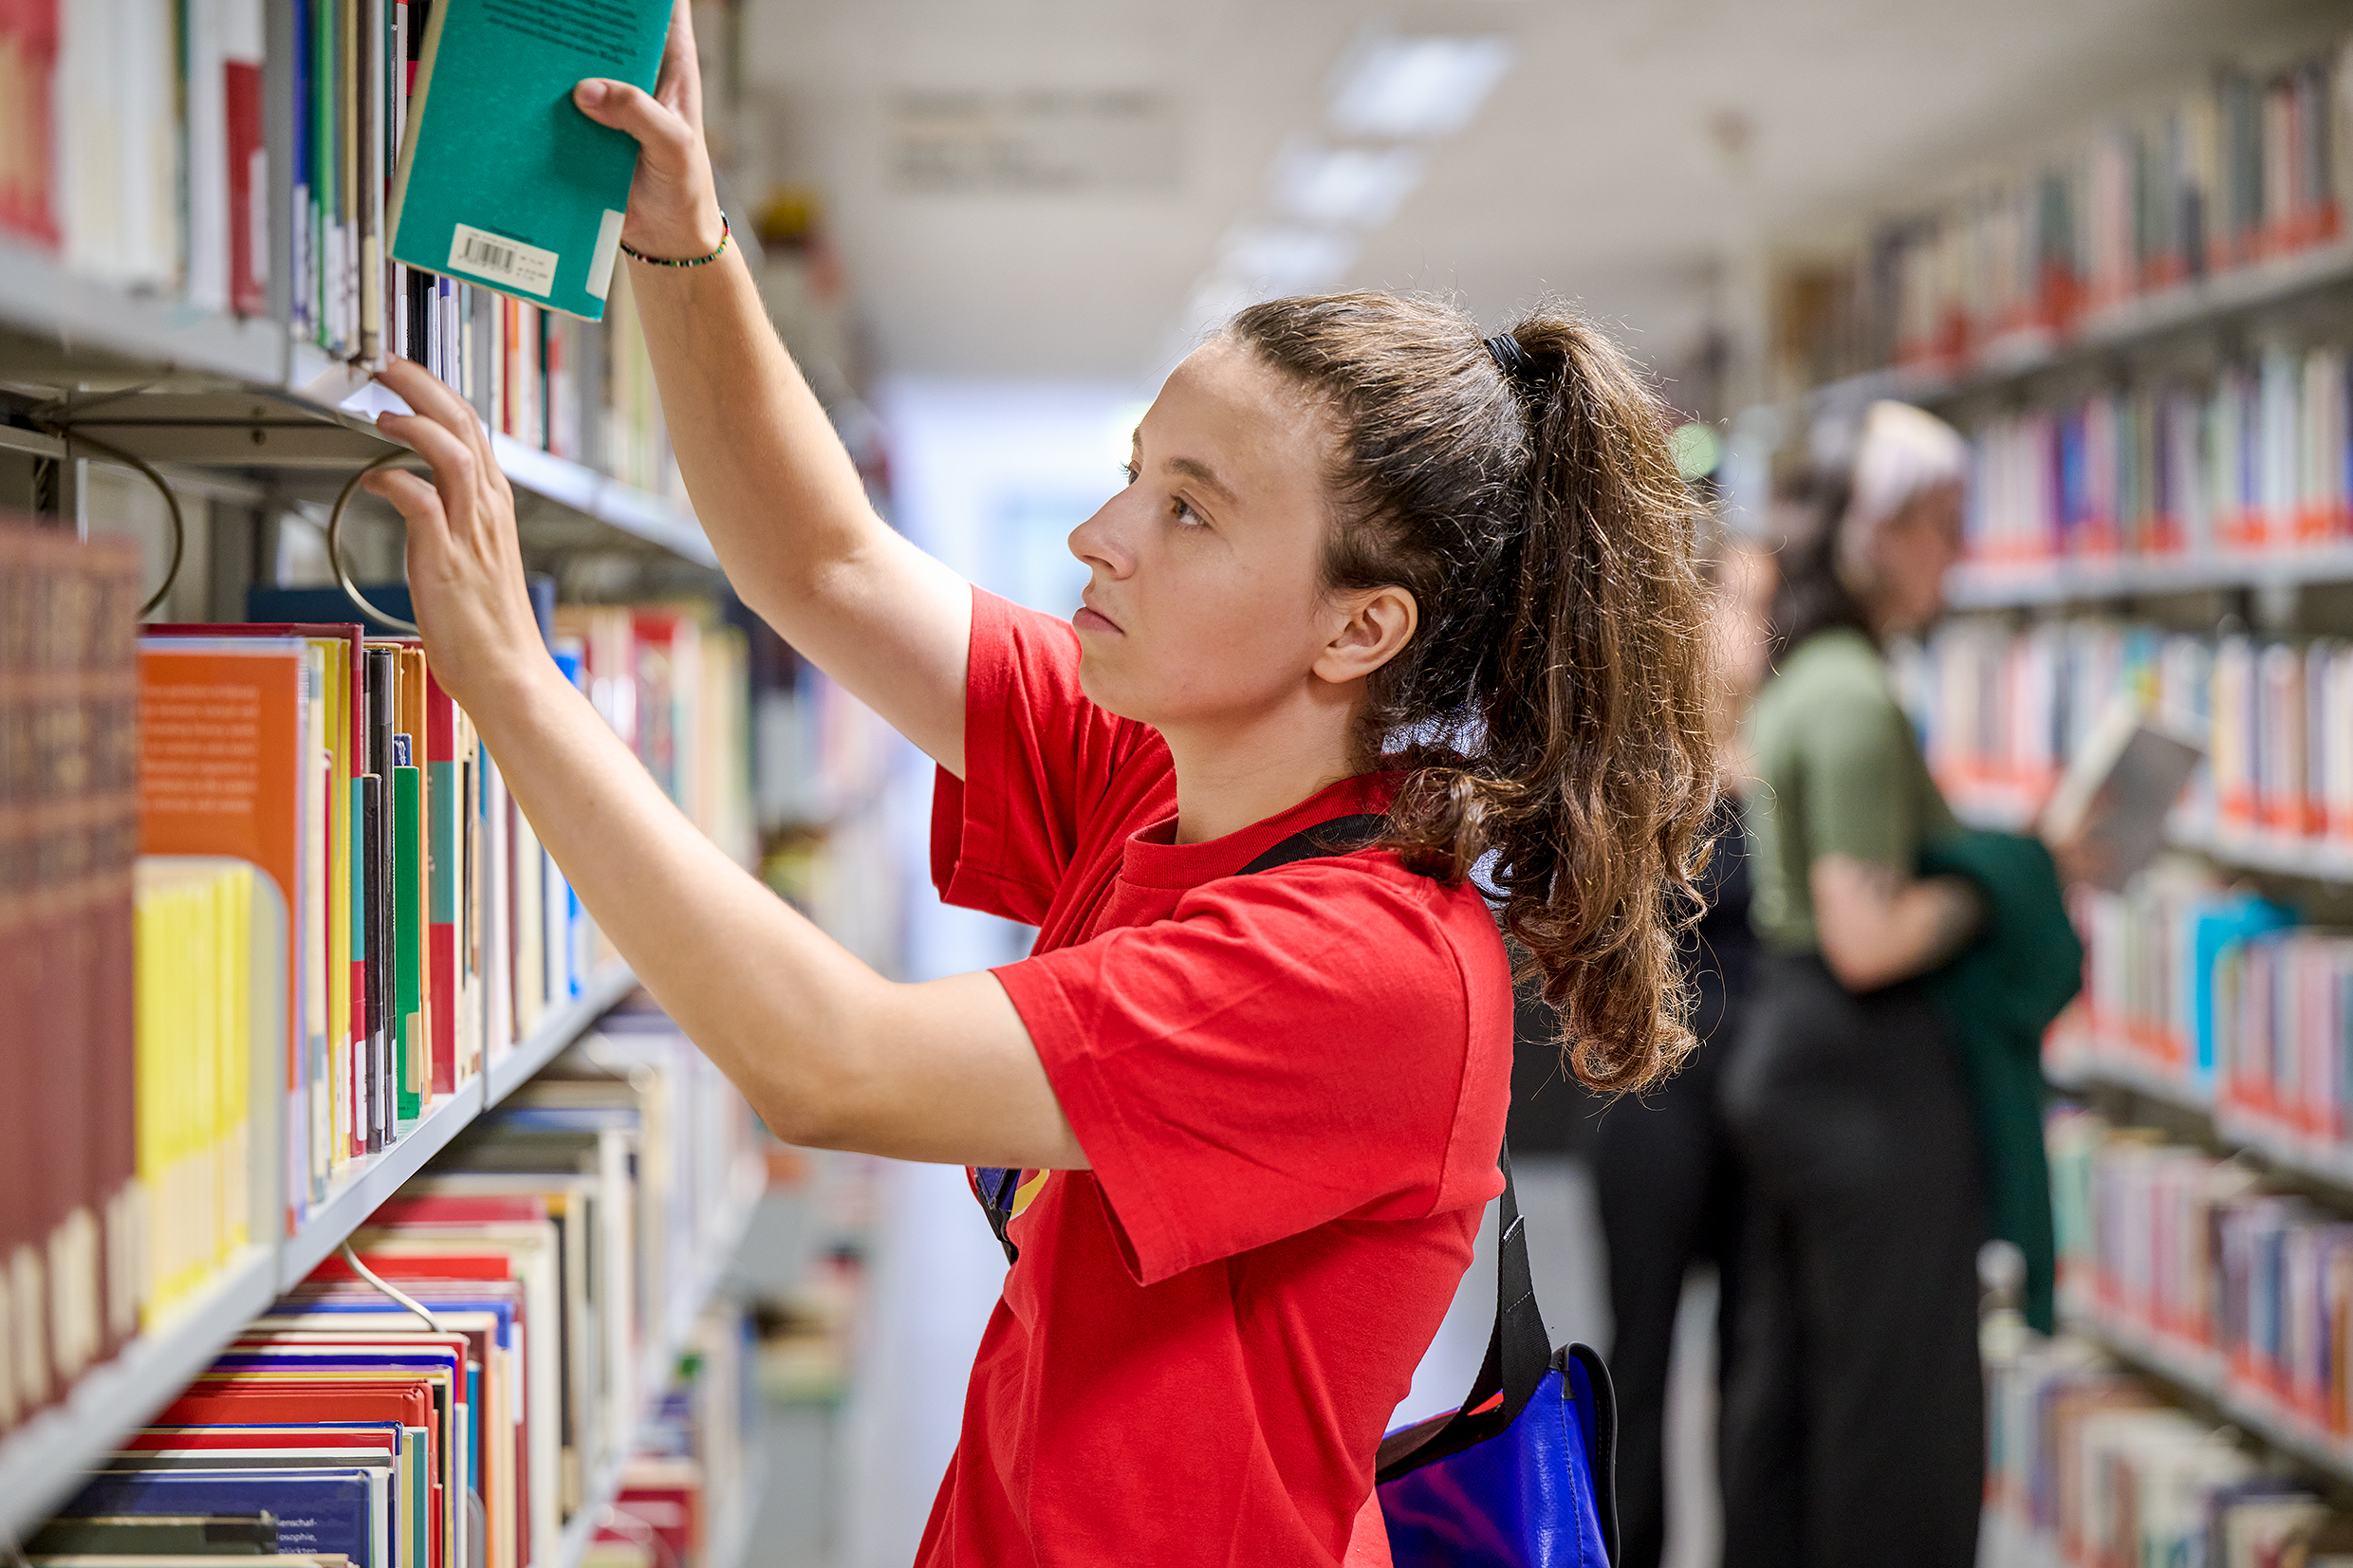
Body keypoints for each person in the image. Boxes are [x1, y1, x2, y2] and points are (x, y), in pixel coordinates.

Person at [354, 10, 1721, 1564]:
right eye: (1139, 467)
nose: (1101, 532)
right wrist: (687, 245)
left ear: (1361, 626)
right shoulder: (1155, 770)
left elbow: (833, 1063)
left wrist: (518, 686)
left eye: (1189, 511)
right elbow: (828, 563)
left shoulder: (1366, 970)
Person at [1716, 400, 1986, 1568]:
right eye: (1939, 523)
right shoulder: (1853, 694)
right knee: (1897, 1402)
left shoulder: (1809, 672)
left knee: (1797, 1381)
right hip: (1858, 1068)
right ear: (1874, 530)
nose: (1955, 552)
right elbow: (1864, 933)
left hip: (1791, 1054)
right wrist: (2004, 883)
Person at [1590, 532, 1774, 1568]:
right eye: (1740, 604)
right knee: (1642, 1354)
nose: (1757, 631)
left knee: (1751, 1359)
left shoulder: (1784, 762)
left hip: (1762, 1106)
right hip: (1656, 1097)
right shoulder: (1640, 765)